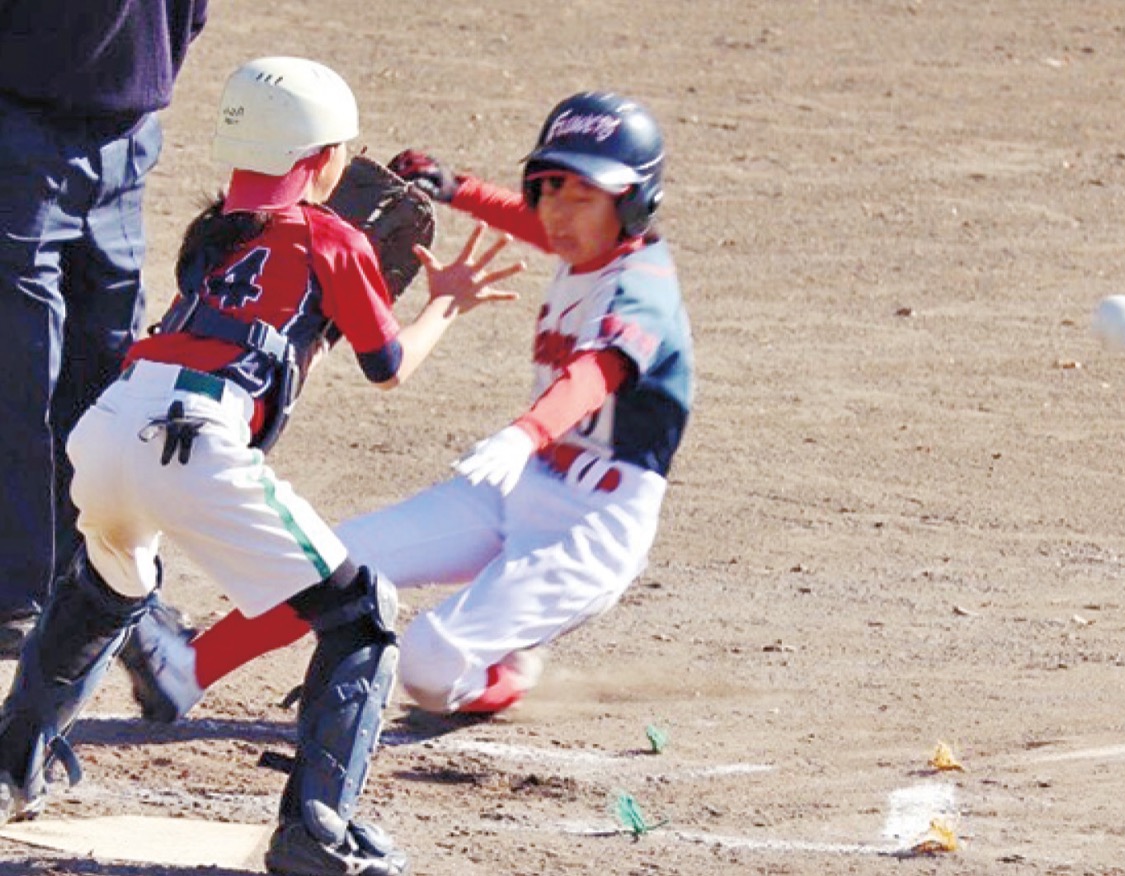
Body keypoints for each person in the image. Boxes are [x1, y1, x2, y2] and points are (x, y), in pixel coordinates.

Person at [0, 56, 522, 876]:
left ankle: (8, 763)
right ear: (319, 159)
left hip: (110, 427)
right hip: (193, 436)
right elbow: (389, 368)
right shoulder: (331, 236)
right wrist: (444, 303)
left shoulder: (211, 239)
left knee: (109, 590)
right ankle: (315, 829)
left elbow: (261, 319)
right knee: (361, 613)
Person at [125, 90, 695, 722]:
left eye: (582, 197)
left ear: (636, 204)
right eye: (549, 191)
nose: (559, 215)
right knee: (337, 559)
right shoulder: (587, 243)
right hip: (522, 482)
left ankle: (506, 671)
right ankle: (188, 670)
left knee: (429, 664)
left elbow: (598, 371)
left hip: (593, 523)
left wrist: (525, 434)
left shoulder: (641, 287)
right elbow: (542, 229)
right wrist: (458, 188)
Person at [0, 0, 209, 656]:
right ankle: (17, 583)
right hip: (20, 123)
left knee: (112, 368)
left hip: (127, 129)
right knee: (23, 363)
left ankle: (98, 577)